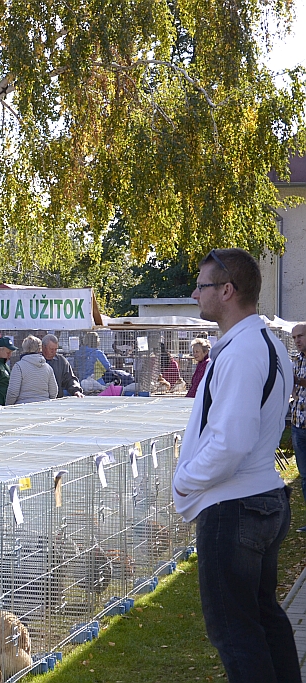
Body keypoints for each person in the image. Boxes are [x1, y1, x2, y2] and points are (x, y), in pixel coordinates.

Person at [172, 248, 296, 683]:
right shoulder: (263, 344)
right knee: (262, 618)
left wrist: (186, 480)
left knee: (235, 631)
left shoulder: (244, 350)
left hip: (236, 505)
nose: (194, 293)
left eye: (202, 285)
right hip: (256, 498)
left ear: (227, 291)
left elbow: (231, 441)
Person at [5, 335, 58, 405]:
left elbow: (13, 392)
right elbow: (54, 391)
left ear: (24, 348)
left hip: (23, 408)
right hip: (44, 407)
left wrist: (8, 406)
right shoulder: (48, 367)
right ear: (40, 349)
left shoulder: (19, 366)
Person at [290, 323, 306, 531]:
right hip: (298, 424)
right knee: (304, 476)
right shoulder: (296, 359)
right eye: (294, 338)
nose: (297, 341)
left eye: (300, 336)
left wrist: (296, 381)